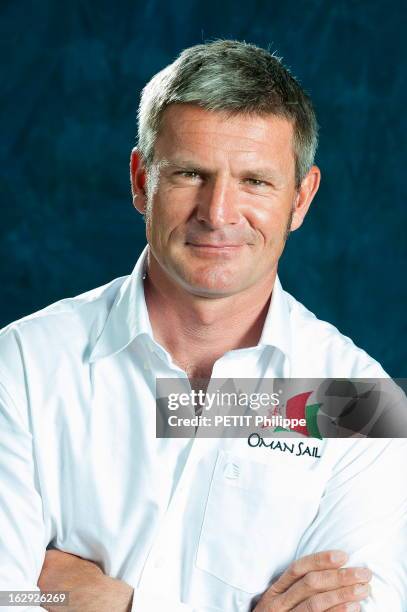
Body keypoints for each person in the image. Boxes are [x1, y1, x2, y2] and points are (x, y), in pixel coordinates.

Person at [0, 39, 406, 612]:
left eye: (256, 182)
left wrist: (119, 606)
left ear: (301, 198)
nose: (218, 214)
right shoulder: (22, 363)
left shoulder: (361, 404)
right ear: (143, 180)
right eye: (191, 173)